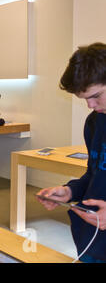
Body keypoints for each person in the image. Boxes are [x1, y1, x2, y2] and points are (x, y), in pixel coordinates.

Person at [37, 42, 106, 263]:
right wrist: (70, 191)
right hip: (94, 241)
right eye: (85, 98)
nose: (90, 105)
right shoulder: (95, 122)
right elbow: (95, 175)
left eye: (96, 96)